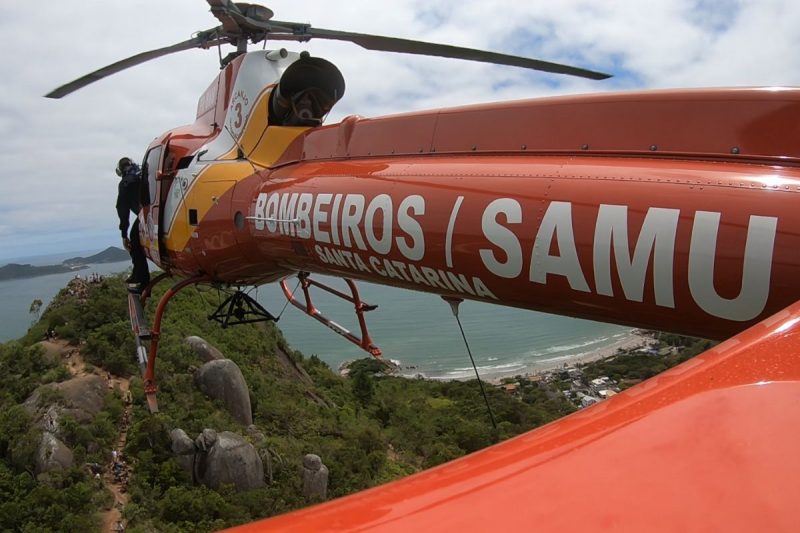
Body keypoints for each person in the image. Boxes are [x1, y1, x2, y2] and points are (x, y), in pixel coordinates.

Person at [115, 157, 150, 291]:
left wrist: (124, 234)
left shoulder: (126, 182)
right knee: (137, 237)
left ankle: (142, 281)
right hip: (156, 209)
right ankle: (137, 274)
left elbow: (122, 209)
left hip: (146, 213)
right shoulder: (141, 172)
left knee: (134, 240)